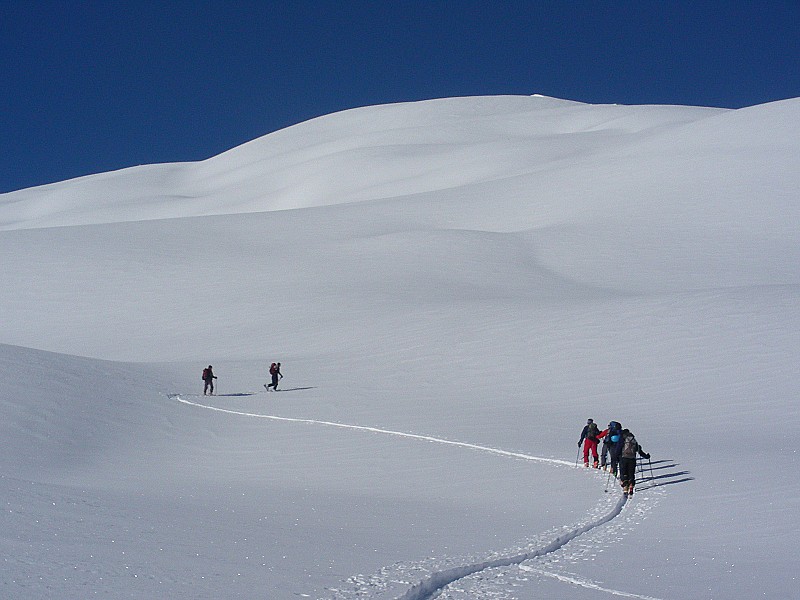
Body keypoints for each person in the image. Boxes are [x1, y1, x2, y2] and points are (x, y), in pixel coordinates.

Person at [618, 429, 650, 496]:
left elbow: (618, 449)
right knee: (631, 473)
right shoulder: (634, 441)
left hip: (624, 458)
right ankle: (631, 485)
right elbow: (640, 451)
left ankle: (625, 487)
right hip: (632, 459)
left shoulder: (623, 440)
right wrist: (647, 456)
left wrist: (616, 458)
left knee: (624, 473)